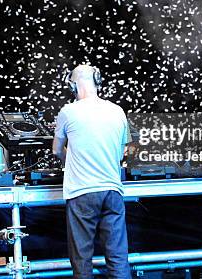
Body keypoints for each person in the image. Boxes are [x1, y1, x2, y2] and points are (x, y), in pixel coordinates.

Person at [52, 64, 131, 279]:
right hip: (113, 191)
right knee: (118, 259)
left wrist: (73, 161)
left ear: (73, 85)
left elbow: (57, 150)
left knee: (82, 261)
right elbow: (123, 150)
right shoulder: (117, 110)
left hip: (82, 193)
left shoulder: (68, 111)